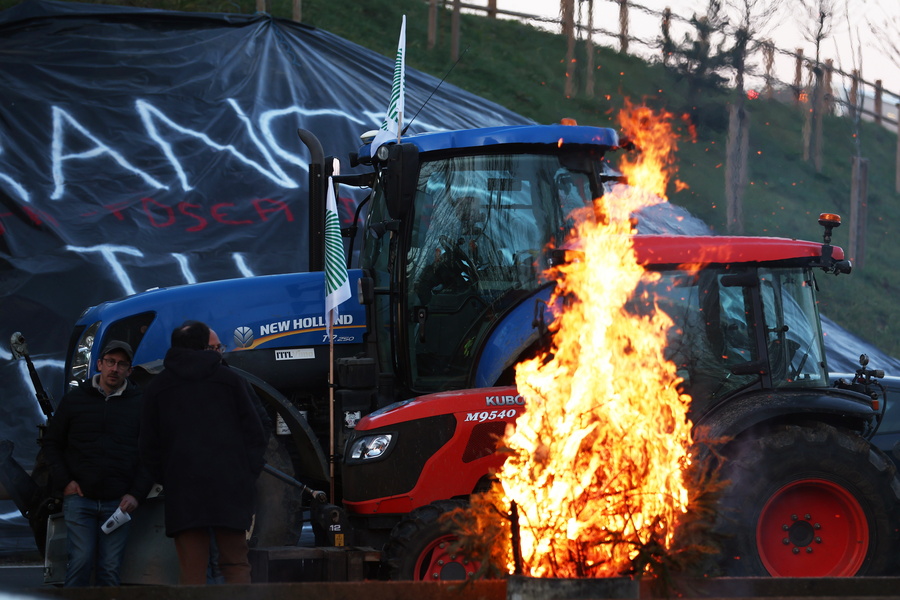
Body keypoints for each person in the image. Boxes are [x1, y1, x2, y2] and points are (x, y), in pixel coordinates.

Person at [140, 320, 266, 585]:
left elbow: (148, 447)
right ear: (202, 346)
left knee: (192, 572)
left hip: (184, 495)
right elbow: (256, 432)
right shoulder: (230, 380)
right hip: (230, 490)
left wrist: (171, 479)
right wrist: (245, 474)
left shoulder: (157, 388)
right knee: (235, 565)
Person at [42, 340, 153, 587]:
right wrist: (66, 483)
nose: (115, 369)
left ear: (129, 370)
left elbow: (151, 453)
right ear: (99, 365)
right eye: (110, 362)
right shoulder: (75, 400)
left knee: (110, 568)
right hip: (80, 498)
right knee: (80, 561)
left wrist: (136, 494)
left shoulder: (140, 404)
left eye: (122, 364)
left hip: (119, 503)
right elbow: (51, 444)